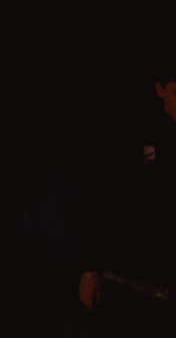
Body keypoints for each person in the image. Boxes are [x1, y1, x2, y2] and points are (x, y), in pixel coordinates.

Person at [72, 60, 176, 336]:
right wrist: (91, 270)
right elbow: (102, 197)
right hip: (131, 279)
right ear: (160, 89)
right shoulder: (135, 132)